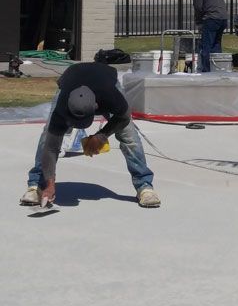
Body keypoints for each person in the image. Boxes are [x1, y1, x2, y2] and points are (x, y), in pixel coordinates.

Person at [20, 62, 161, 208]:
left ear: (96, 108)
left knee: (129, 137)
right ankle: (36, 184)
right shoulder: (63, 105)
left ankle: (144, 186)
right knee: (47, 137)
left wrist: (102, 135)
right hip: (70, 81)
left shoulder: (110, 96)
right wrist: (50, 184)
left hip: (104, 79)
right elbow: (51, 148)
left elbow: (123, 117)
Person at [176, 0, 228, 72]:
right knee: (216, 45)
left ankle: (206, 72)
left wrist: (199, 21)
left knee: (206, 47)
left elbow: (198, 6)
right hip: (222, 17)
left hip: (211, 18)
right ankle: (217, 70)